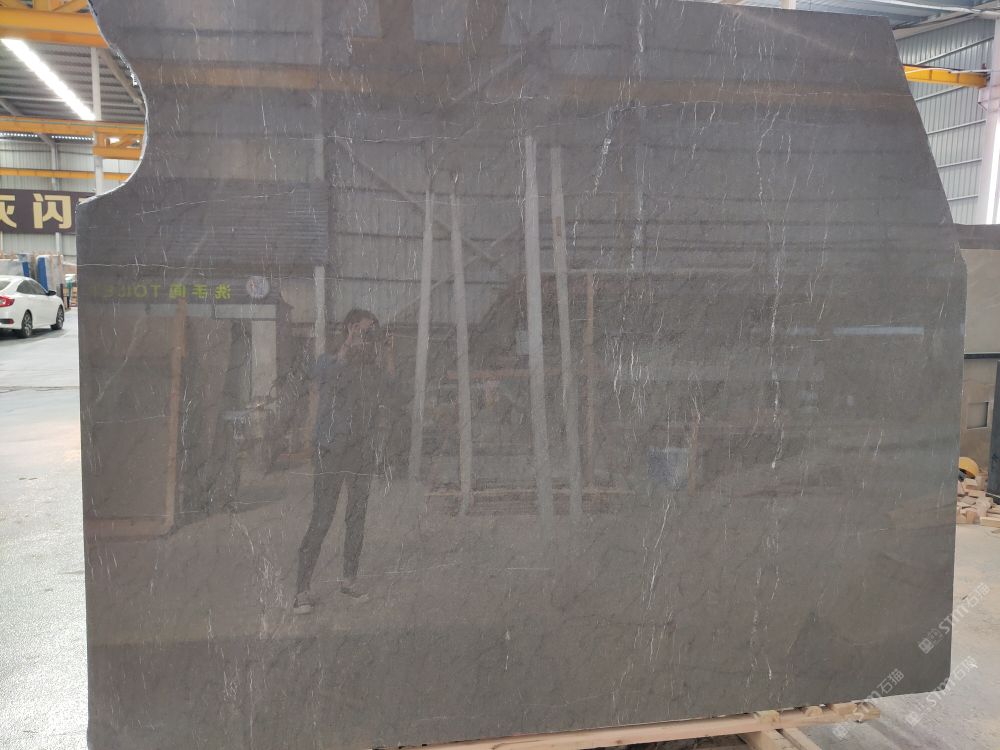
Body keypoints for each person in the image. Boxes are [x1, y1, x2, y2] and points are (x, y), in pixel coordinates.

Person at [293, 309, 392, 615]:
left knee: (357, 517)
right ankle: (301, 590)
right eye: (363, 331)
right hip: (331, 449)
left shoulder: (370, 369)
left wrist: (386, 351)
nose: (367, 338)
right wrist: (348, 347)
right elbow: (325, 376)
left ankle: (349, 580)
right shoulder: (328, 361)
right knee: (322, 518)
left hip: (360, 450)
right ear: (349, 329)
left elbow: (390, 389)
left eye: (371, 333)